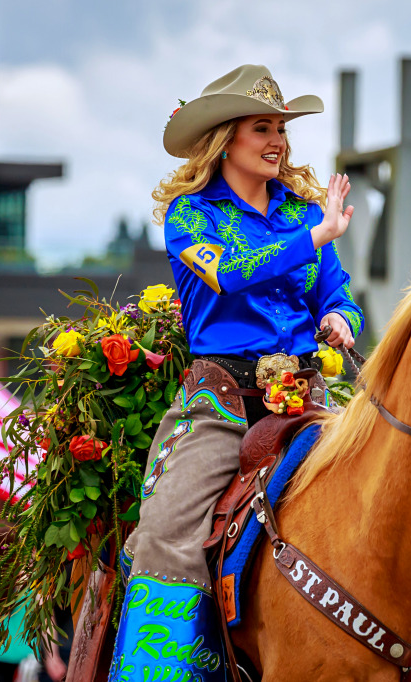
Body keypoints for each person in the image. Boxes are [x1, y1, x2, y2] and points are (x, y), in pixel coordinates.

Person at [109, 64, 363, 681]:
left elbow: (338, 293)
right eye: (261, 128)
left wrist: (341, 318)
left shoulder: (303, 214)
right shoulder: (189, 215)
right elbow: (228, 269)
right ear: (226, 138)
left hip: (309, 396)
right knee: (165, 535)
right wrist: (315, 236)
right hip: (220, 403)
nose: (277, 140)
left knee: (407, 481)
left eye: (281, 128)